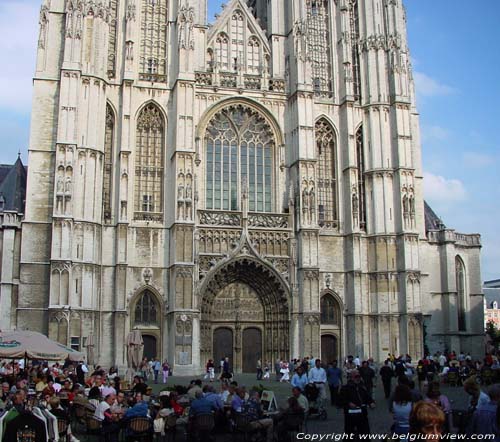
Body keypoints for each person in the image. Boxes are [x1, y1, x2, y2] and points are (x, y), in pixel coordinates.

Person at [339, 370, 375, 436]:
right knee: (349, 433)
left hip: (362, 413)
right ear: (351, 378)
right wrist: (349, 403)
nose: (358, 378)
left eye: (359, 376)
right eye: (356, 377)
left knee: (365, 432)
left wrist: (371, 402)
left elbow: (367, 397)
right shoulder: (345, 388)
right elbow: (341, 400)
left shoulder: (362, 387)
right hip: (350, 414)